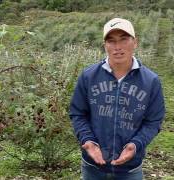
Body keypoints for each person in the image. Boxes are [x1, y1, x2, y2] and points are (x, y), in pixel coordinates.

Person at [69, 17, 165, 180]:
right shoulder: (88, 76)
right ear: (105, 45)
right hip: (93, 167)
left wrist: (135, 145)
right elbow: (78, 113)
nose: (117, 47)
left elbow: (153, 121)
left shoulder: (150, 81)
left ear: (135, 42)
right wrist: (88, 140)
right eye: (111, 41)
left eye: (124, 39)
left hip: (130, 170)